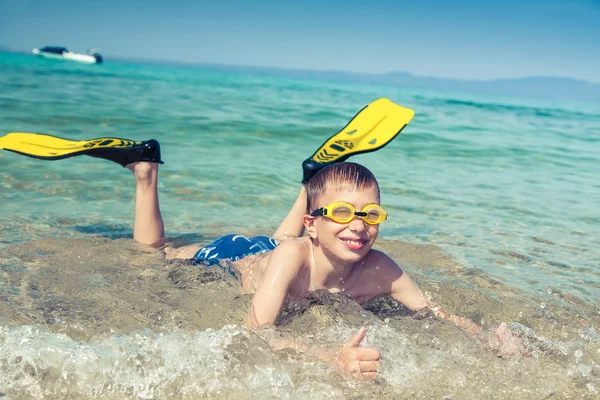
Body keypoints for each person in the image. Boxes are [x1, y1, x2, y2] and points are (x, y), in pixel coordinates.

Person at [0, 99, 525, 380]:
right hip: (239, 256)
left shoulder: (380, 266)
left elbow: (432, 312)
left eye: (370, 212)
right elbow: (258, 332)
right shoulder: (291, 256)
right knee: (155, 257)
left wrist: (485, 338)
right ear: (316, 221)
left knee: (288, 242)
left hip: (289, 247)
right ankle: (144, 168)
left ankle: (311, 179)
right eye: (342, 211)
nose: (359, 223)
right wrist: (328, 358)